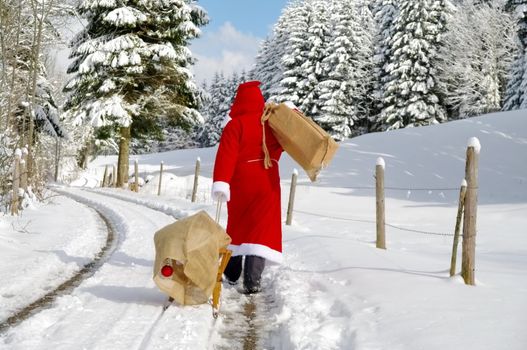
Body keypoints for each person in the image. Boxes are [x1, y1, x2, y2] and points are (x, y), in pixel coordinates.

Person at [211, 81, 283, 294]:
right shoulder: (271, 123)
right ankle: (252, 281)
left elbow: (226, 155)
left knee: (238, 227)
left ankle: (231, 274)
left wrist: (222, 182)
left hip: (241, 183)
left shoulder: (235, 125)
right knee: (260, 232)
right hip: (268, 182)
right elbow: (282, 146)